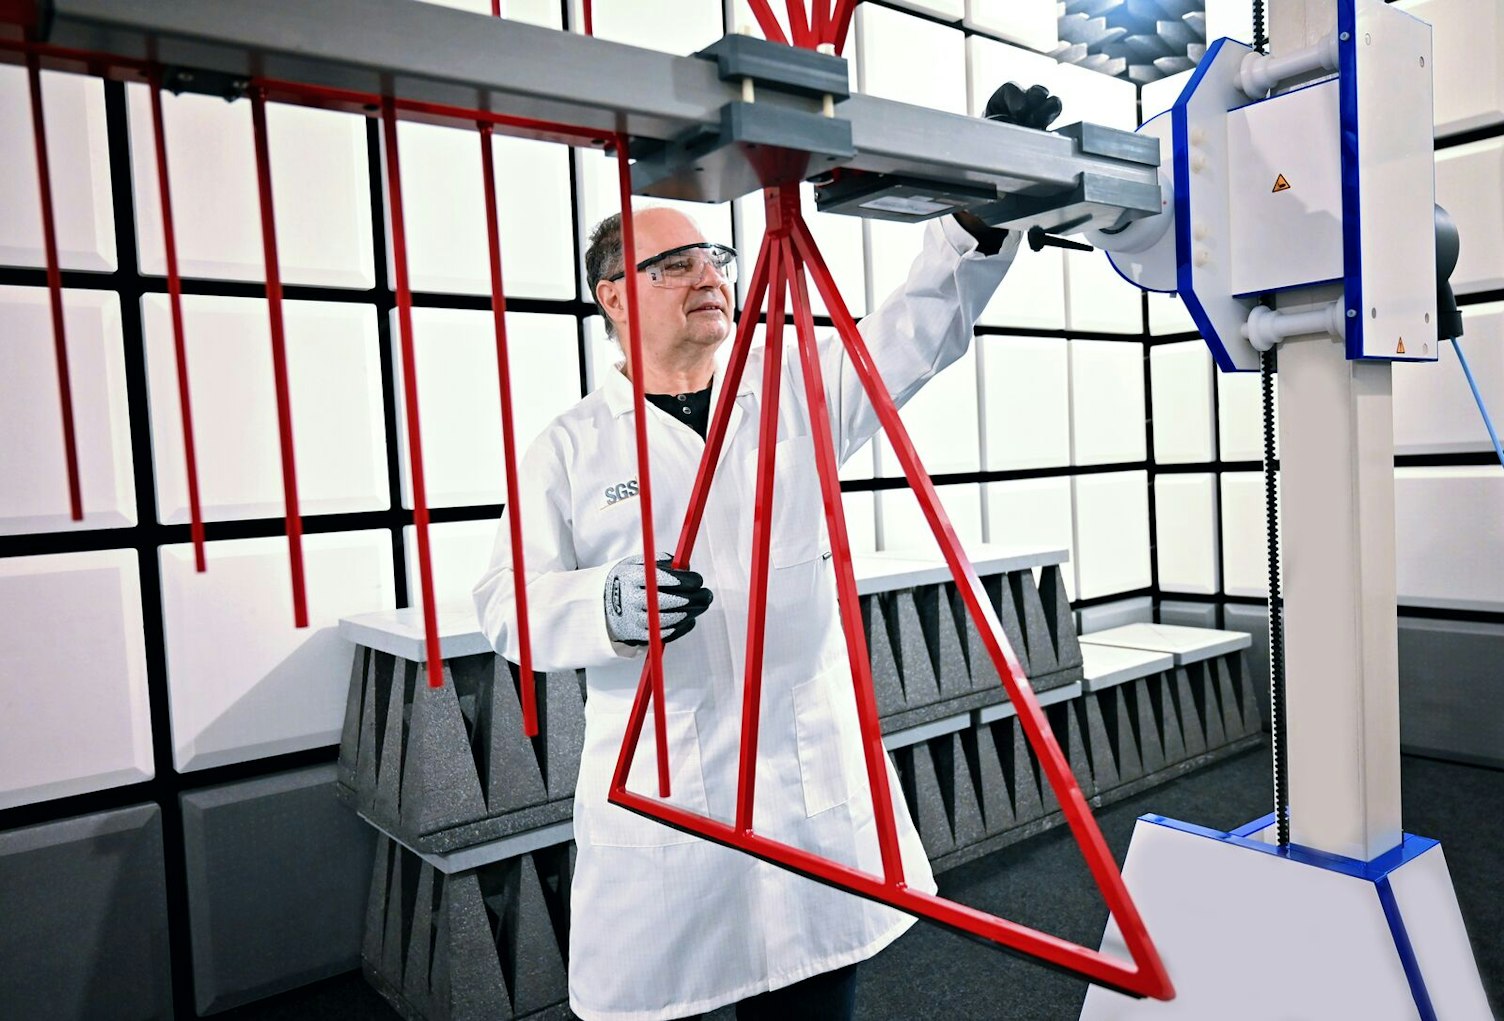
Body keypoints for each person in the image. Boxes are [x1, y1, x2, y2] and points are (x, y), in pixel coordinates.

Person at [474, 81, 1056, 1019]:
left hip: (807, 783)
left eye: (715, 257)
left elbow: (916, 332)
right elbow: (505, 601)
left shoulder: (792, 390)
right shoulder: (570, 449)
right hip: (669, 798)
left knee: (814, 1005)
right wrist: (604, 606)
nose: (709, 276)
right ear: (613, 295)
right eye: (675, 264)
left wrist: (976, 213)